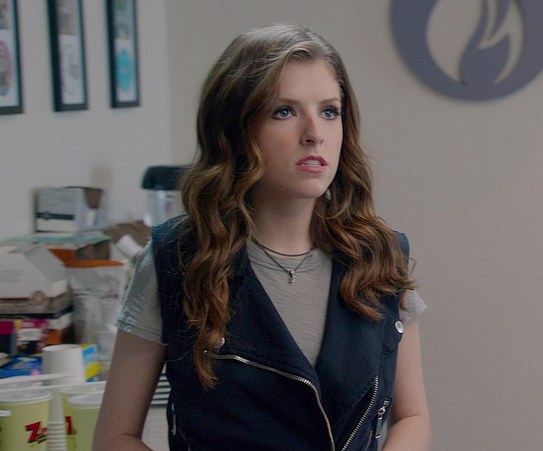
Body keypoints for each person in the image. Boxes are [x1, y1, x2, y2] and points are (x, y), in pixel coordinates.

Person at [94, 23, 431, 451]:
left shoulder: (380, 256)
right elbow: (115, 436)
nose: (315, 133)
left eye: (330, 111)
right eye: (284, 111)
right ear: (235, 130)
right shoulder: (177, 260)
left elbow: (413, 416)